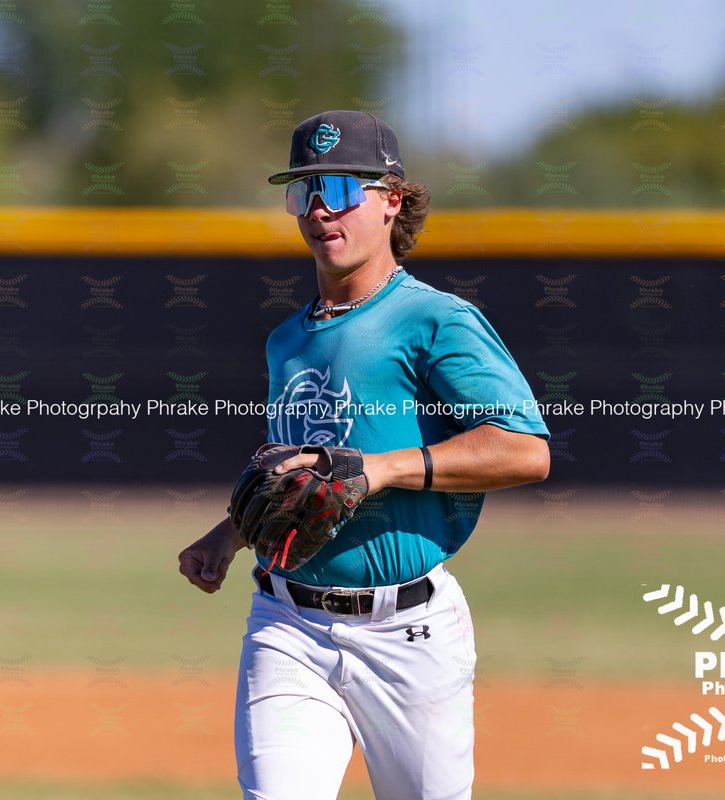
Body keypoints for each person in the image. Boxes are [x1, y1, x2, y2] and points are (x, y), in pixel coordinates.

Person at [178, 110, 550, 800]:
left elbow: (525, 452)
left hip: (410, 634)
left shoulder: (436, 320)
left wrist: (383, 468)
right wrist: (228, 534)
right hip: (286, 623)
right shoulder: (286, 340)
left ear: (392, 201)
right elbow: (300, 474)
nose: (321, 209)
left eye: (343, 188)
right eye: (305, 191)